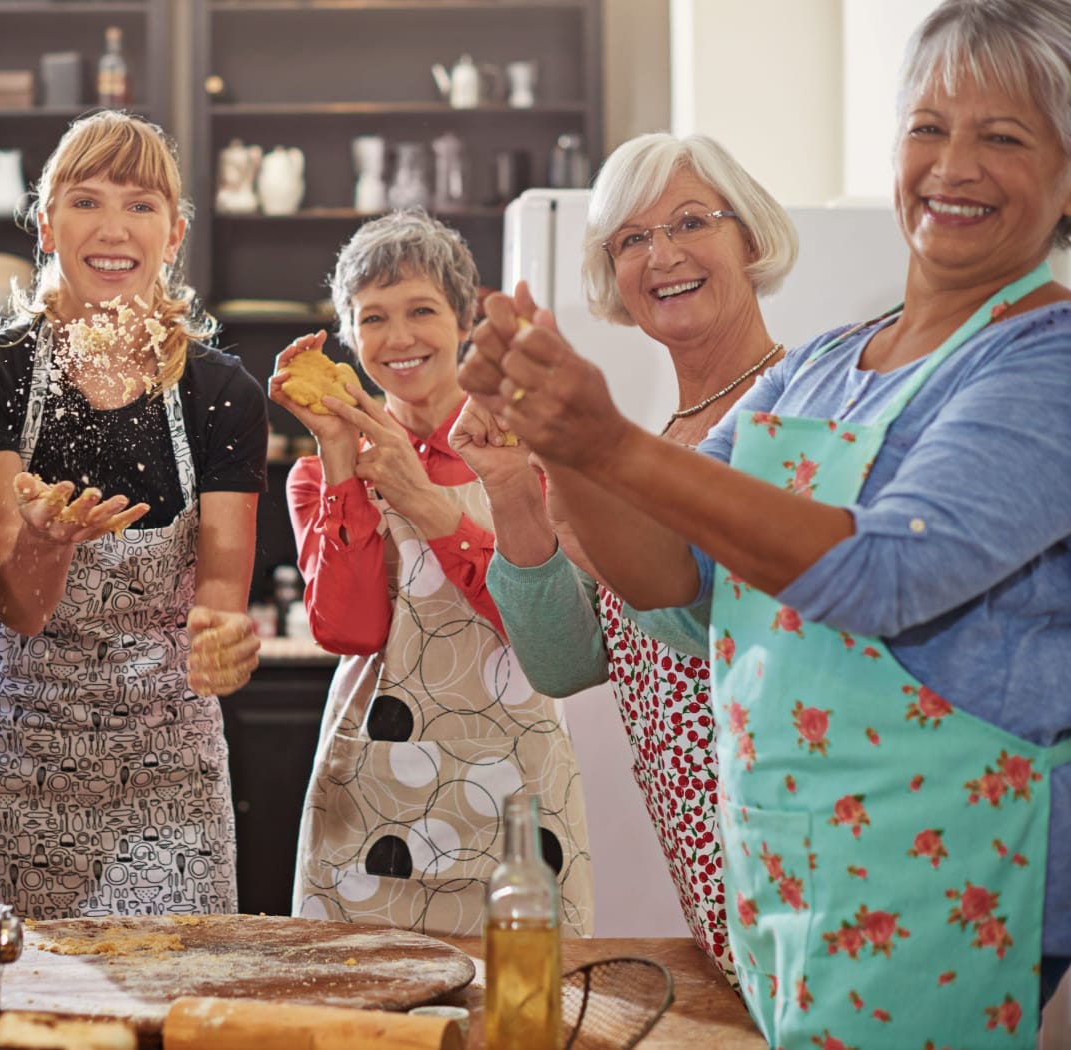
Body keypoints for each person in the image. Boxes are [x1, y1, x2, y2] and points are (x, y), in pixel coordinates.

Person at [461, 0, 1071, 1042]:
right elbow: (672, 592)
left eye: (1001, 136)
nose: (951, 164)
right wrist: (555, 446)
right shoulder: (825, 366)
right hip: (786, 861)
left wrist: (603, 444)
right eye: (927, 127)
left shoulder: (1042, 362)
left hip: (948, 865)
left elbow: (886, 573)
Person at [458, 133, 799, 982]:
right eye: (632, 240)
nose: (664, 256)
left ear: (749, 238)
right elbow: (563, 660)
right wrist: (512, 491)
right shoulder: (652, 443)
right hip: (708, 875)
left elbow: (713, 625)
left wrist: (578, 499)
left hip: (791, 845)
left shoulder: (791, 414)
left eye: (690, 222)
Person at [0, 110, 266, 918]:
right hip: (21, 765)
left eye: (141, 205)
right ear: (46, 223)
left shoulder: (222, 393)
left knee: (178, 1011)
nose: (113, 228)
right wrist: (43, 545)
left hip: (170, 772)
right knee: (22, 1013)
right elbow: (20, 605)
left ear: (175, 232)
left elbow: (218, 597)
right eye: (86, 201)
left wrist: (224, 645)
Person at [269, 210, 593, 938]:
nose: (401, 337)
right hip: (372, 793)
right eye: (373, 317)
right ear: (350, 337)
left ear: (465, 317)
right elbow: (347, 630)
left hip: (517, 790)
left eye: (422, 310)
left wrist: (422, 500)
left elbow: (545, 633)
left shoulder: (526, 454)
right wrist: (345, 460)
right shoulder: (317, 476)